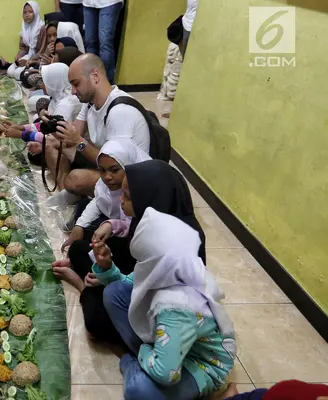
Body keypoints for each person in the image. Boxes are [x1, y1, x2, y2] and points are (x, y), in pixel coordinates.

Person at [94, 208, 236, 400]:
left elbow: (166, 374)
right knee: (114, 292)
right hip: (171, 339)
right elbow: (127, 286)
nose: (141, 264)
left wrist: (146, 350)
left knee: (138, 390)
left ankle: (132, 361)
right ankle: (153, 355)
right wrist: (107, 268)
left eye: (144, 259)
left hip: (199, 365)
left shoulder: (177, 306)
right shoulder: (176, 265)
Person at [50, 139, 150, 344]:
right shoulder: (125, 195)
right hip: (121, 257)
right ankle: (90, 282)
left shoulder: (153, 230)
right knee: (79, 247)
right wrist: (106, 227)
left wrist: (109, 277)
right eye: (102, 170)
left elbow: (142, 283)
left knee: (98, 322)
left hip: (134, 284)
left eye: (114, 170)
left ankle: (82, 285)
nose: (107, 177)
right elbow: (101, 203)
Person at [48, 53, 149, 197]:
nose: (73, 91)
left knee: (76, 179)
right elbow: (74, 134)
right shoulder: (89, 102)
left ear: (95, 76)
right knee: (50, 144)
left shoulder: (119, 111)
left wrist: (78, 141)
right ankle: (66, 192)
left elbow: (115, 165)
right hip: (103, 160)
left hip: (125, 174)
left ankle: (73, 192)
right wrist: (53, 128)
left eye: (76, 84)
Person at [82, 0, 123, 83]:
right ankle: (92, 80)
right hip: (89, 3)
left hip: (109, 3)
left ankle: (107, 82)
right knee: (90, 42)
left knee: (105, 42)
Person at [7, 1, 45, 79]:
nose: (27, 15)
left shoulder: (42, 29)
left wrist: (29, 61)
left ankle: (31, 70)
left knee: (18, 75)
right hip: (28, 56)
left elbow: (42, 51)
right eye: (24, 13)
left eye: (30, 12)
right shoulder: (24, 29)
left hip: (39, 59)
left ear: (36, 12)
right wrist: (18, 56)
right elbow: (23, 48)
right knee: (10, 72)